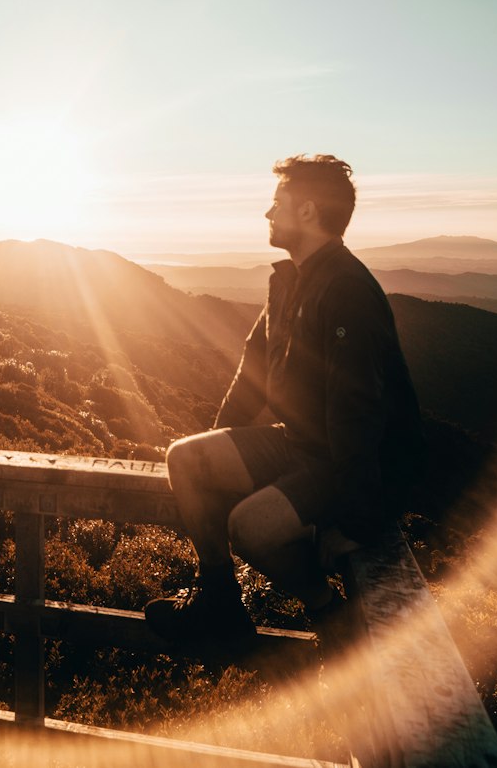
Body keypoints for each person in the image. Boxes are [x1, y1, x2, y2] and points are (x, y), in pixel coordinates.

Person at [145, 154, 423, 651]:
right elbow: (251, 377)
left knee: (249, 527)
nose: (268, 214)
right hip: (301, 444)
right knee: (186, 458)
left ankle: (328, 612)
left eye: (277, 204)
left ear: (309, 211)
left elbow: (355, 414)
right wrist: (220, 447)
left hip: (349, 459)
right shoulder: (288, 281)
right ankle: (221, 607)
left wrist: (357, 521)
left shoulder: (348, 291)